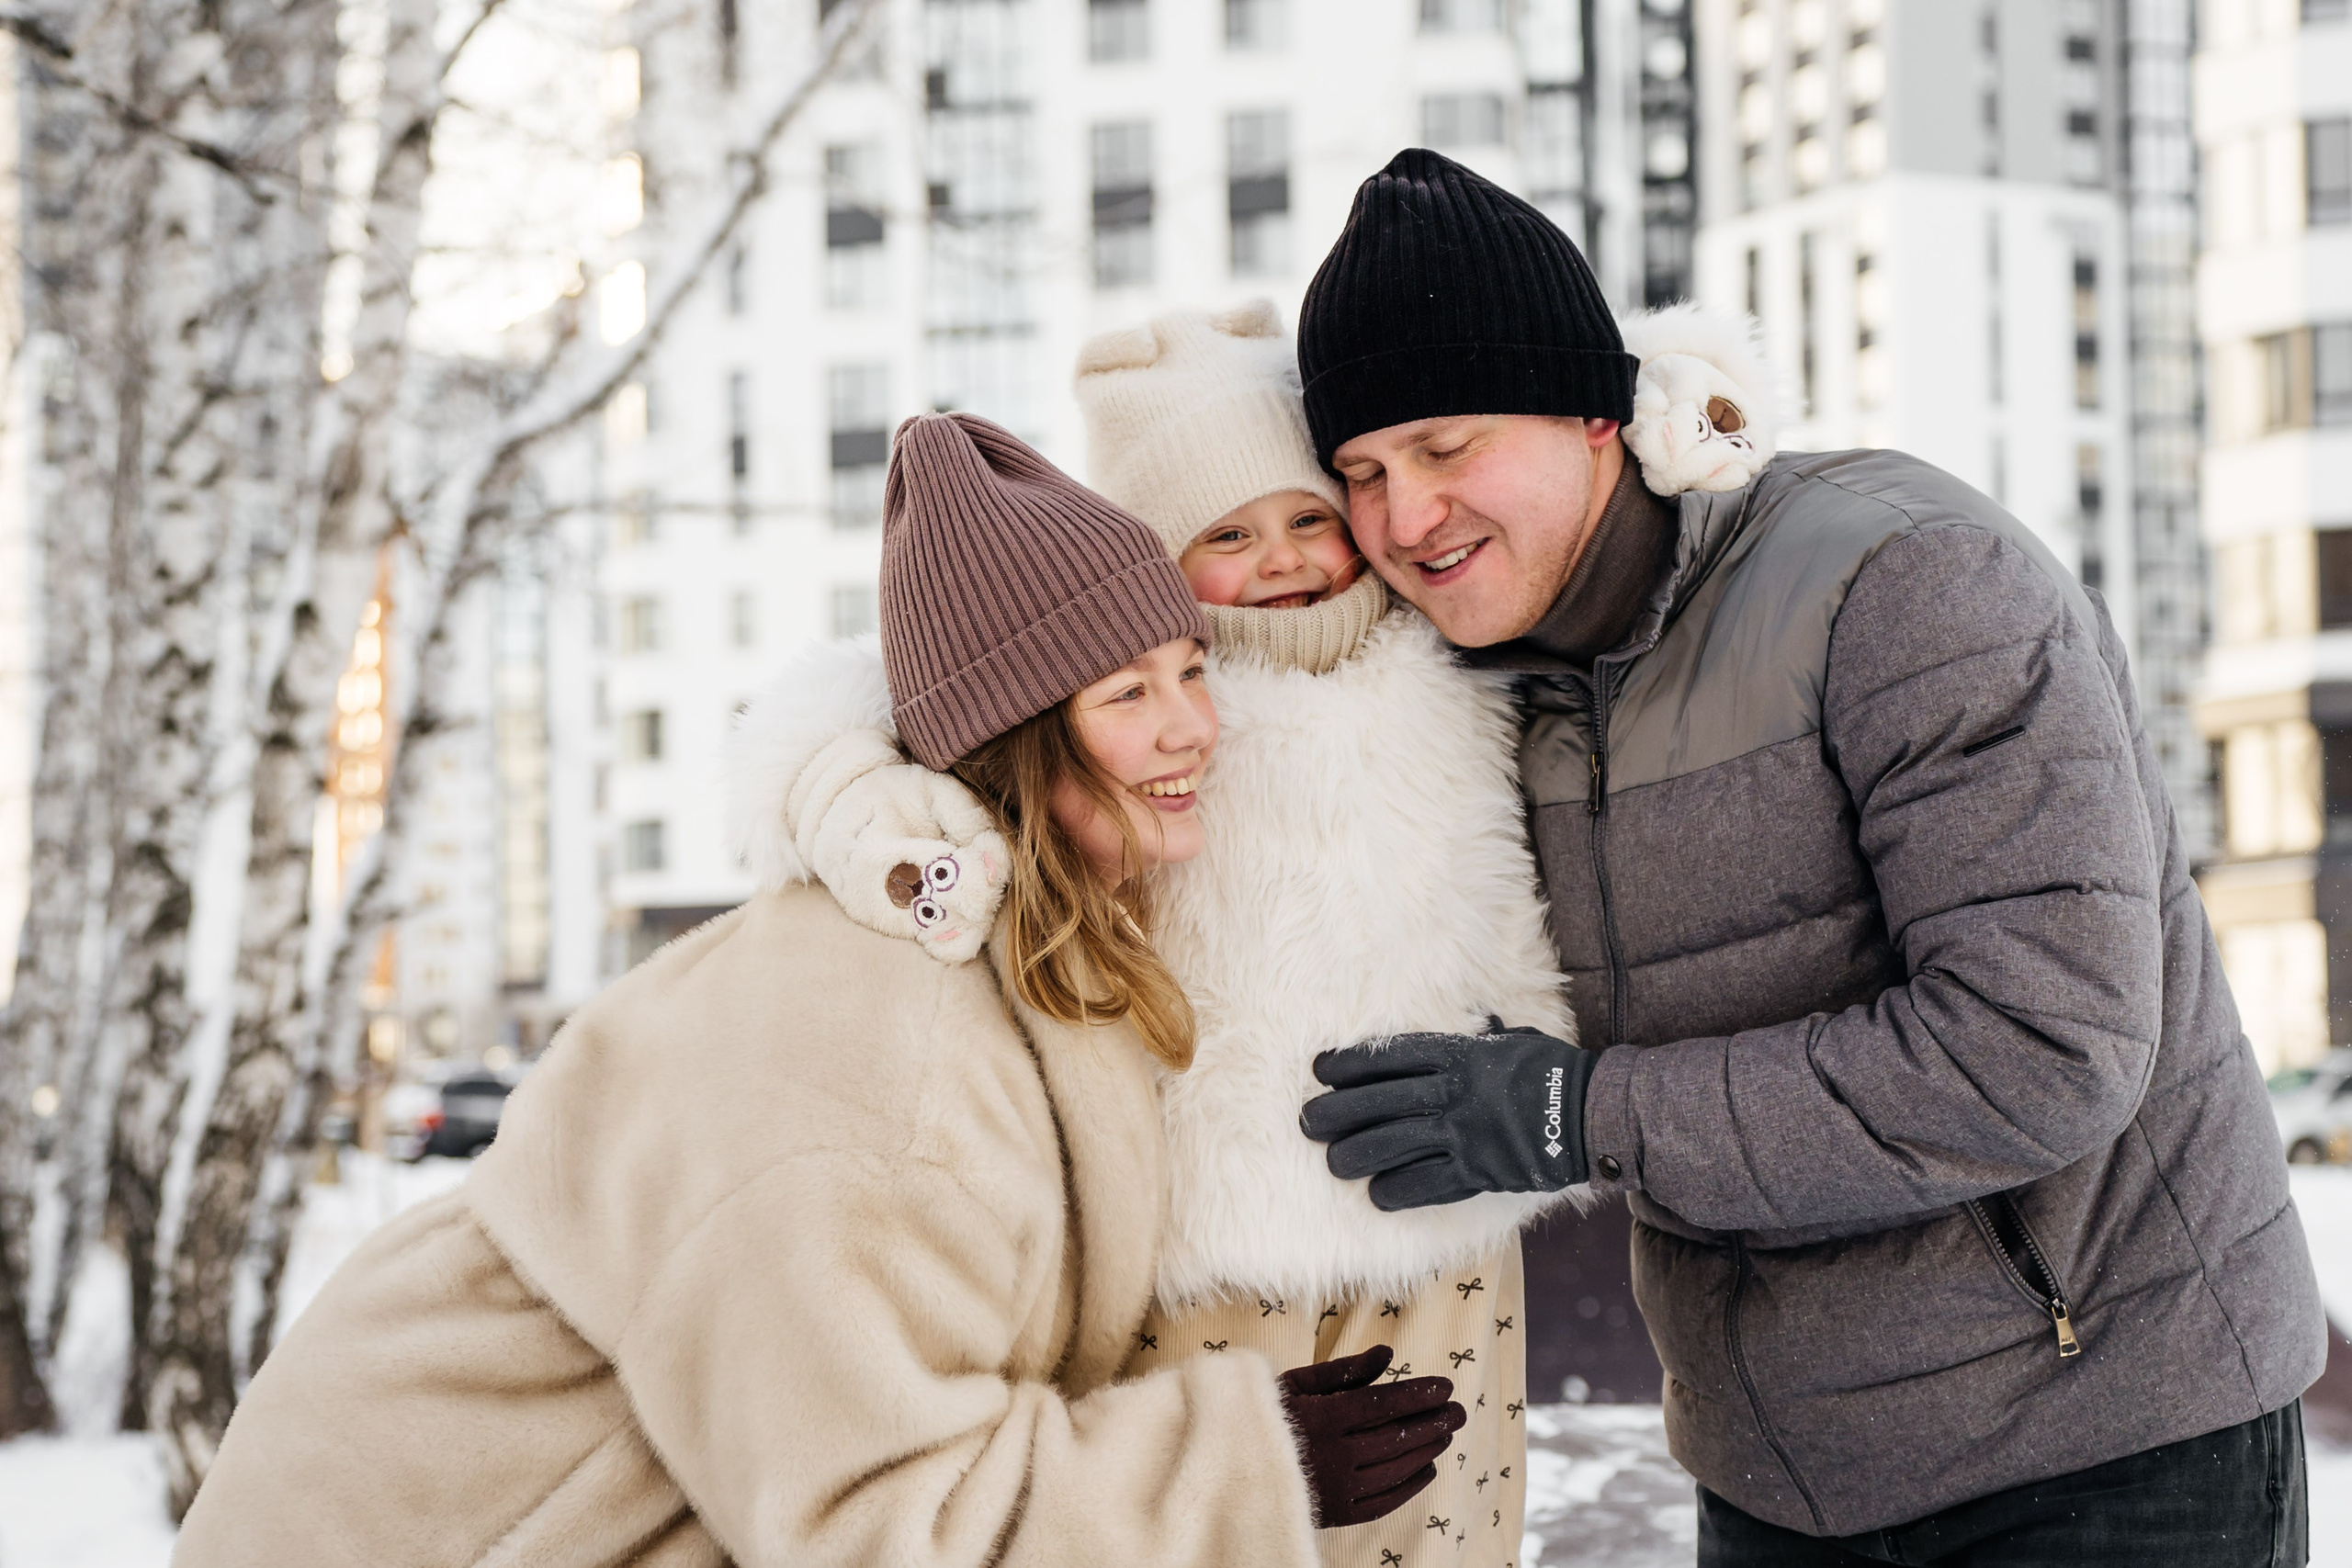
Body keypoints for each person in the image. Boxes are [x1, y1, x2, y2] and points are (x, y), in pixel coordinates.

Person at [174, 412, 1464, 1567]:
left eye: (1189, 669)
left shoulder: (1006, 956)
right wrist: (1243, 1468)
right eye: (1128, 693)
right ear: (1011, 747)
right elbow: (879, 1518)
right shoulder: (878, 1040)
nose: (1194, 724)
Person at [1294, 148, 2325, 1565]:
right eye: (1362, 471)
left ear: (1597, 416)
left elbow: (2044, 1046)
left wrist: (1571, 1114)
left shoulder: (1903, 583)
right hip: (1784, 1485)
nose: (1406, 518)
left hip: (2102, 1452)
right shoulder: (1480, 697)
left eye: (1450, 446)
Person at [763, 302, 1589, 1567]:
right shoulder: (1136, 701)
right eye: (1228, 535)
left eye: (1309, 515)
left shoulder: (1455, 653)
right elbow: (882, 718)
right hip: (1211, 1259)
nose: (1285, 561)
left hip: (1447, 1234)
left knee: (1452, 1526)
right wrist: (866, 818)